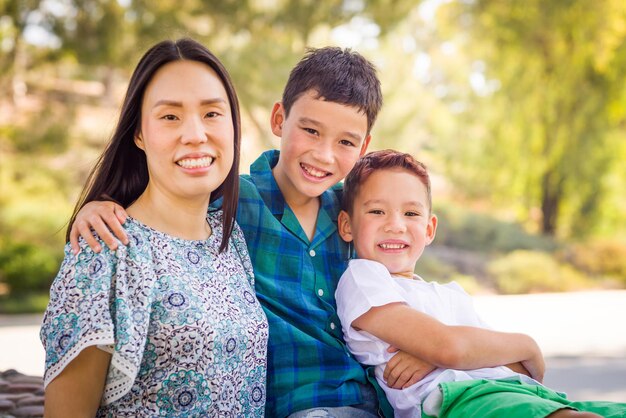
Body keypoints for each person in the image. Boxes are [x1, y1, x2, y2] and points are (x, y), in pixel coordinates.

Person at [68, 47, 431, 417]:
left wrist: (425, 350)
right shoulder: (233, 202)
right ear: (279, 119)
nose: (323, 155)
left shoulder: (356, 212)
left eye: (345, 142)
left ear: (364, 146)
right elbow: (169, 191)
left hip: (376, 400)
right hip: (295, 403)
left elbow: (401, 286)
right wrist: (101, 204)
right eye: (310, 130)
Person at [40, 38, 268, 417]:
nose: (195, 134)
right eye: (170, 116)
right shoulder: (105, 249)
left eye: (212, 113)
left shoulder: (230, 242)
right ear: (139, 134)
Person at [335, 149, 626, 418]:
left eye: (410, 213)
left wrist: (444, 356)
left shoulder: (450, 295)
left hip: (518, 391)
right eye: (377, 211)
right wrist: (523, 344)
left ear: (429, 229)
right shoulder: (364, 279)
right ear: (347, 225)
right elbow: (453, 348)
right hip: (459, 401)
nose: (395, 225)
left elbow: (523, 367)